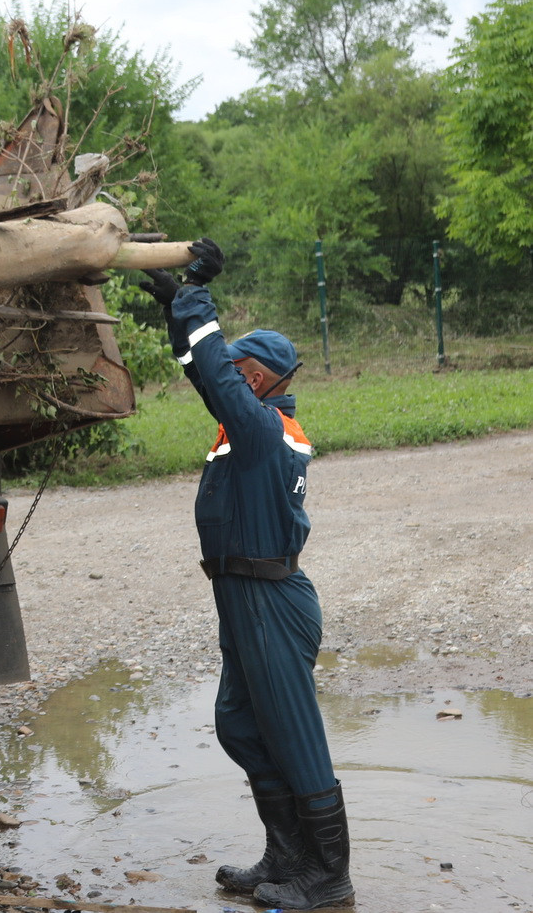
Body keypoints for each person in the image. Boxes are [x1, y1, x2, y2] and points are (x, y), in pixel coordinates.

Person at [139, 240, 354, 911]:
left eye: (236, 376)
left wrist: (199, 291)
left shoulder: (263, 432)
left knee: (294, 738)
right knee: (239, 724)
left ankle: (328, 875)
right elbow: (206, 370)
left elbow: (215, 370)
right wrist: (180, 314)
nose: (220, 385)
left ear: (256, 381)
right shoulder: (253, 424)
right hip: (243, 599)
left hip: (270, 600)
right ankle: (287, 855)